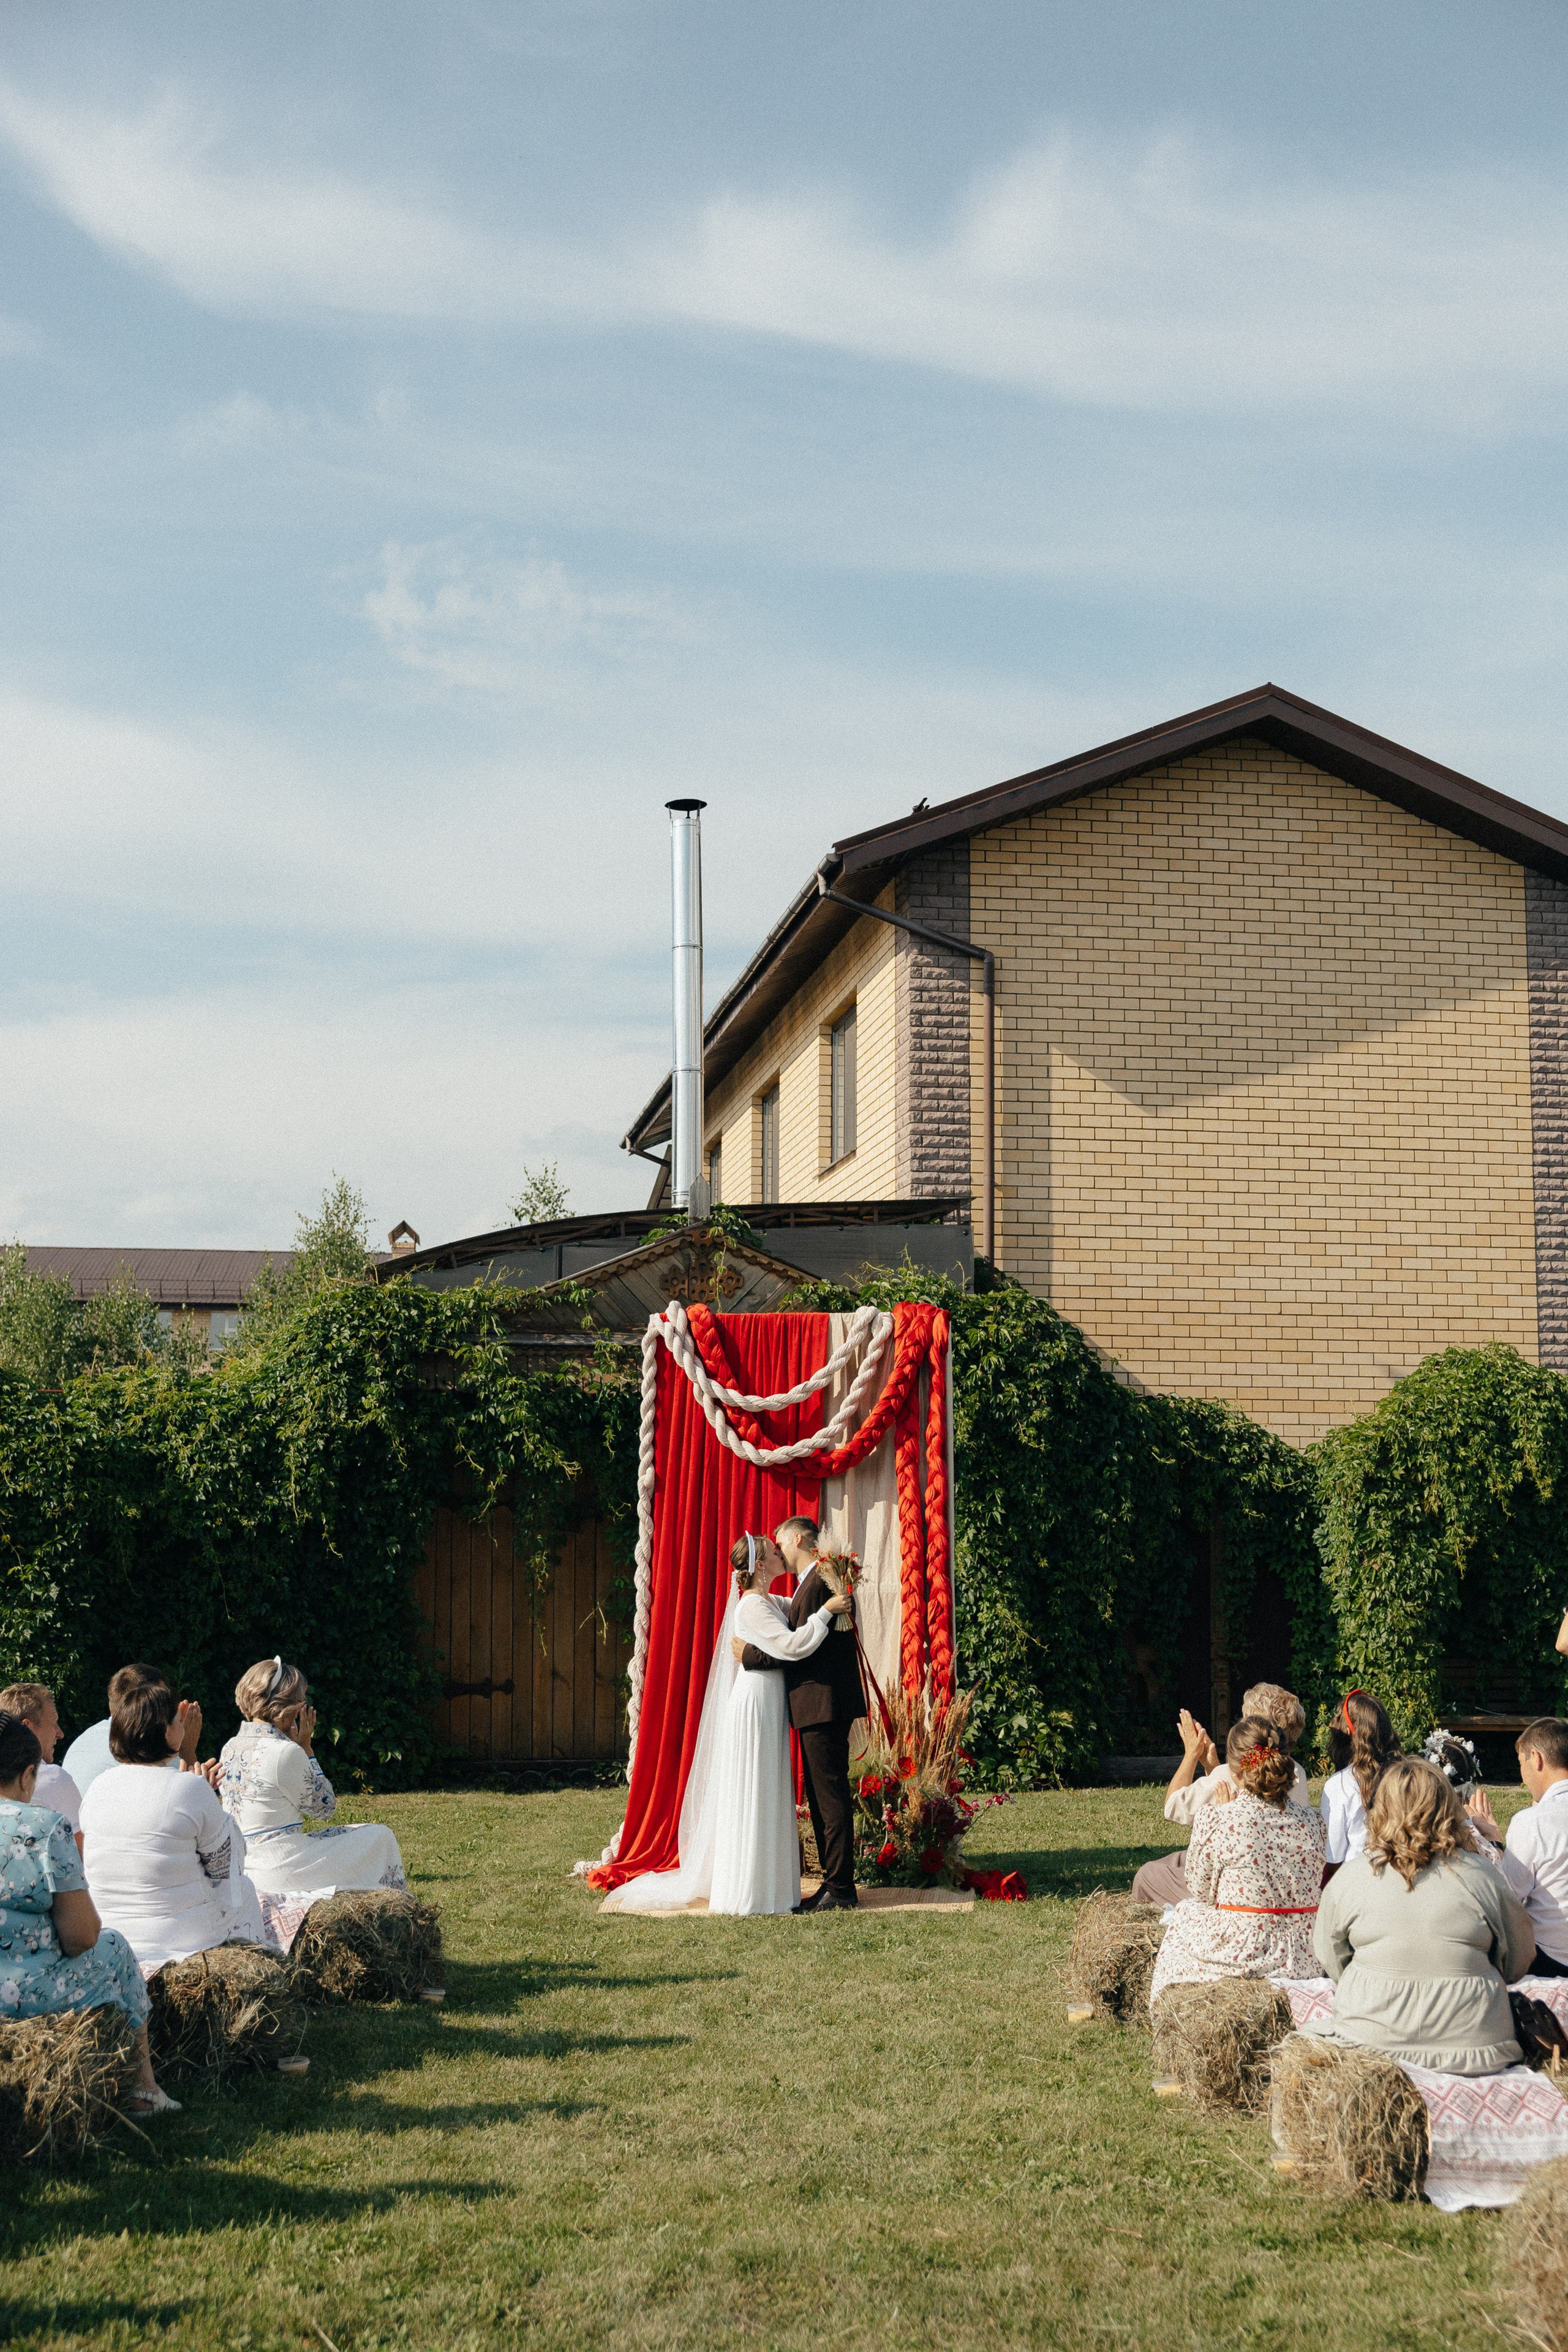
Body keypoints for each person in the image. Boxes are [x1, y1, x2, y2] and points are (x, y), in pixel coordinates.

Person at [607, 1532, 850, 1915]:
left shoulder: (769, 1601)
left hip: (770, 1702)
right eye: (772, 1552)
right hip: (757, 1704)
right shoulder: (751, 1606)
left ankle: (770, 1884)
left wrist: (832, 1589)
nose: (780, 1554)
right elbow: (792, 1646)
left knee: (767, 1787)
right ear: (760, 1565)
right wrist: (826, 1612)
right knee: (756, 1786)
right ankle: (750, 1888)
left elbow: (795, 1613)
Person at [1308, 1755, 1535, 2075]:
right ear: (1449, 1809)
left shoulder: (1351, 1877)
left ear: (1379, 1810)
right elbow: (1520, 1959)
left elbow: (1330, 1957)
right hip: (1475, 2048)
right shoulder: (1482, 1875)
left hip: (1368, 2044)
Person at [0, 1713, 176, 2116]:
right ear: (27, 1776)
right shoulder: (44, 1827)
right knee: (115, 1947)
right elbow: (82, 1938)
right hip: (23, 1994)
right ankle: (144, 2090)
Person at [80, 1670, 266, 1972]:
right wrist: (207, 1798)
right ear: (166, 1732)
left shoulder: (97, 1786)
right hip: (177, 1936)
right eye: (177, 1719)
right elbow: (229, 1867)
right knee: (243, 1889)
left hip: (111, 1932)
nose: (183, 1723)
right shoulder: (189, 1787)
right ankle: (260, 1977)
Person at [1149, 1717, 1327, 2005]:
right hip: (1307, 1954)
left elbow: (1200, 1889)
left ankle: (1166, 2004)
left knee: (1185, 1912)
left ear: (1233, 1773)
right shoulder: (1314, 1821)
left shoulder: (1220, 1817)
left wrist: (1221, 1816)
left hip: (1248, 1952)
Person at [739, 1514, 867, 1912]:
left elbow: (798, 1649)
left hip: (824, 1703)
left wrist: (750, 1656)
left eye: (780, 1543)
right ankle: (834, 1883)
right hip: (820, 1704)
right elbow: (791, 1630)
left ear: (797, 1539)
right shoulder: (812, 1584)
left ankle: (840, 1888)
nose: (778, 1551)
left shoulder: (820, 1583)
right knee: (823, 1796)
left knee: (829, 1797)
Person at [218, 1658, 407, 1894]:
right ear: (287, 1706)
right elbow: (324, 1809)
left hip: (244, 1867)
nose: (302, 1707)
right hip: (282, 1869)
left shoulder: (230, 1747)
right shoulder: (285, 1752)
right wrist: (306, 1749)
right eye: (300, 1700)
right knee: (380, 1836)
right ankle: (396, 1906)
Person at [1131, 1684, 1311, 1909]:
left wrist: (1191, 1754)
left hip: (1239, 1888)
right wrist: (1213, 1768)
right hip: (1281, 1880)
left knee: (1147, 1874)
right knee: (1177, 1859)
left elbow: (1173, 1807)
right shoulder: (1297, 1772)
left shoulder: (1233, 1773)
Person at [1466, 1716, 1568, 1977]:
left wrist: (1491, 1844)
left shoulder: (1533, 1821)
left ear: (1537, 1758)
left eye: (1521, 1762)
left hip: (1552, 1962)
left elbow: (1506, 1897)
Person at [62, 1663, 214, 1801]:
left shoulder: (86, 1737)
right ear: (144, 1703)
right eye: (161, 1699)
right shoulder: (146, 1744)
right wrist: (186, 1748)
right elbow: (188, 1801)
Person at [1320, 1689, 1401, 1864]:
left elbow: (1333, 1856)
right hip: (1403, 1872)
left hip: (1355, 1876)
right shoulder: (1406, 1776)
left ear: (1347, 1732)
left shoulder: (1339, 1785)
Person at [0, 1683, 82, 1841]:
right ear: (27, 1727)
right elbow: (83, 1848)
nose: (60, 1733)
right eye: (53, 1723)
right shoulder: (53, 1778)